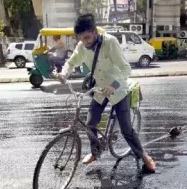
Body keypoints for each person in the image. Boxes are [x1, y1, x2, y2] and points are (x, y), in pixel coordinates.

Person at [56, 13, 155, 172]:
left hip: (118, 90)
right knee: (90, 123)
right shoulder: (82, 47)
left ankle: (144, 156)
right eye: (81, 38)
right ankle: (95, 152)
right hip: (100, 89)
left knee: (126, 129)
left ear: (95, 32)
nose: (85, 42)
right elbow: (71, 62)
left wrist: (114, 85)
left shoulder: (110, 42)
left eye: (87, 37)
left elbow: (126, 69)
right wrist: (64, 73)